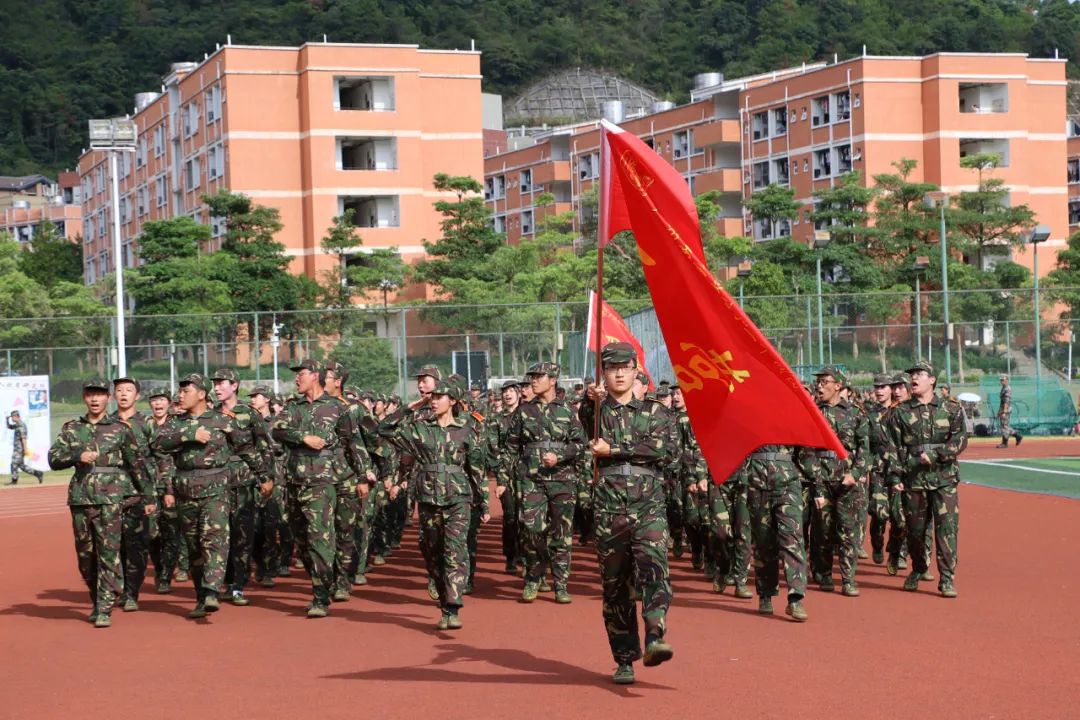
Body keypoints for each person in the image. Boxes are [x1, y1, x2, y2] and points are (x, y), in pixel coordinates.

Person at [579, 342, 674, 685]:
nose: (619, 373)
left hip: (648, 504)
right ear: (603, 373)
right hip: (609, 506)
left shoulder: (655, 411)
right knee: (615, 584)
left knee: (654, 567)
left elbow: (660, 449)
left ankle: (655, 633)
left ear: (636, 370)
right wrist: (589, 399)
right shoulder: (597, 411)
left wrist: (614, 449)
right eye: (612, 367)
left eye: (625, 367)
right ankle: (624, 658)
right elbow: (585, 419)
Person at [154, 373, 276, 619]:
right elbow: (157, 444)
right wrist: (189, 436)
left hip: (216, 488)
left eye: (186, 391)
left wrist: (264, 475)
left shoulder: (222, 420)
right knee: (195, 547)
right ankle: (202, 597)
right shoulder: (174, 423)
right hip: (186, 490)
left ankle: (212, 590)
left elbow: (245, 448)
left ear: (201, 394)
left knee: (214, 538)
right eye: (180, 391)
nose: (180, 395)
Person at [378, 379, 489, 629]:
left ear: (453, 401)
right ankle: (444, 601)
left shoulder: (467, 429)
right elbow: (384, 429)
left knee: (455, 550)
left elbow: (477, 470)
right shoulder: (420, 429)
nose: (434, 400)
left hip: (458, 498)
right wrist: (411, 407)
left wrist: (484, 503)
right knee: (432, 552)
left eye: (440, 397)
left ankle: (453, 607)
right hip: (428, 498)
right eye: (433, 396)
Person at [48, 379, 155, 628]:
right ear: (84, 397)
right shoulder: (72, 428)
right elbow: (54, 459)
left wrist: (149, 496)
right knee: (85, 555)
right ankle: (97, 599)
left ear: (108, 397)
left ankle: (105, 607)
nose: (95, 399)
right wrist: (78, 455)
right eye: (90, 395)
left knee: (109, 552)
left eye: (99, 395)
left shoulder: (120, 428)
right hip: (81, 498)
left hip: (111, 499)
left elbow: (136, 465)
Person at [272, 360, 368, 617]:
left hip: (324, 481)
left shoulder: (338, 408)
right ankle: (327, 578)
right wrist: (302, 437)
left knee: (320, 538)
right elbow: (277, 431)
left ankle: (321, 597)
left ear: (315, 376)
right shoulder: (293, 407)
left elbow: (354, 443)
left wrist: (362, 477)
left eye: (301, 374)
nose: (297, 379)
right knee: (301, 540)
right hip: (295, 480)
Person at [885, 361, 967, 598]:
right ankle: (919, 567)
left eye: (919, 374)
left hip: (944, 478)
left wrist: (936, 455)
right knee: (915, 532)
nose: (914, 378)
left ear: (932, 380)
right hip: (914, 480)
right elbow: (893, 446)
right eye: (912, 375)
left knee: (947, 529)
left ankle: (947, 579)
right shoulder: (900, 411)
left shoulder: (951, 408)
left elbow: (960, 440)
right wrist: (895, 475)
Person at [505, 362, 586, 604]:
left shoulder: (568, 410)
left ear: (552, 380)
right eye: (532, 376)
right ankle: (534, 577)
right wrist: (506, 477)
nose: (533, 380)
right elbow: (511, 446)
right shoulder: (524, 411)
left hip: (562, 480)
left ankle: (560, 584)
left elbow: (580, 444)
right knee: (531, 530)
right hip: (532, 480)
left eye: (539, 376)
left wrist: (559, 456)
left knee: (561, 534)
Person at [210, 368, 277, 606]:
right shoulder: (211, 415)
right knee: (219, 535)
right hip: (217, 482)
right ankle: (224, 581)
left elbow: (264, 447)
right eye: (215, 383)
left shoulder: (249, 414)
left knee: (242, 535)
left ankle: (238, 584)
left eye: (222, 383)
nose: (217, 387)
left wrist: (266, 477)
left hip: (243, 482)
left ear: (234, 385)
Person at [803, 366, 868, 597]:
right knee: (822, 531)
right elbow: (805, 452)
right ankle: (823, 573)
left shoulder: (856, 413)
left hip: (847, 482)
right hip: (822, 479)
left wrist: (855, 474)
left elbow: (865, 449)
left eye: (824, 382)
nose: (819, 387)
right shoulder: (812, 413)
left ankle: (848, 579)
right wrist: (817, 482)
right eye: (818, 383)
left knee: (848, 531)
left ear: (838, 386)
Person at [745, 446, 810, 621]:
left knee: (792, 538)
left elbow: (806, 448)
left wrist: (810, 476)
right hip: (757, 481)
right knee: (764, 542)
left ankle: (795, 598)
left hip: (788, 482)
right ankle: (765, 593)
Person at [110, 377, 155, 612]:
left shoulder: (146, 424)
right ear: (113, 395)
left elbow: (159, 457)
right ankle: (117, 589)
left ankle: (131, 593)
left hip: (138, 493)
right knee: (113, 547)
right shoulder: (106, 423)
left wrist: (153, 494)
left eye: (129, 390)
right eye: (119, 390)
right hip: (111, 494)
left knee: (136, 546)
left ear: (137, 396)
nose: (124, 394)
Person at [145, 388, 182, 594]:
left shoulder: (178, 425)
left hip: (173, 487)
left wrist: (171, 488)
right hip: (149, 488)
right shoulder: (145, 425)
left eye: (161, 400)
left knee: (171, 534)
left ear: (169, 403)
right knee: (151, 534)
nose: (157, 404)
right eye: (154, 400)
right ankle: (159, 569)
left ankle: (166, 575)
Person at [490, 381, 524, 574]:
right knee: (510, 515)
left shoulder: (526, 415)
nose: (508, 394)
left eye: (511, 391)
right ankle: (511, 556)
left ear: (518, 393)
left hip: (526, 472)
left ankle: (525, 554)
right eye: (505, 392)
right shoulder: (497, 419)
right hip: (506, 472)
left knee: (527, 515)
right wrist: (500, 474)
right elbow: (493, 448)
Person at [7, 409, 45, 485]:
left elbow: (23, 438)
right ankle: (38, 473)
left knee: (14, 463)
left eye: (12, 417)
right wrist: (7, 420)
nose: (12, 418)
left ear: (16, 416)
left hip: (20, 449)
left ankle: (14, 480)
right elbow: (9, 427)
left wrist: (25, 449)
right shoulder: (17, 425)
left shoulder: (21, 426)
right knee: (21, 466)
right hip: (18, 449)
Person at [996, 374, 1023, 448]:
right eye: (1001, 380)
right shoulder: (1004, 388)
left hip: (1006, 409)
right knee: (1004, 426)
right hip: (1003, 408)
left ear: (1007, 380)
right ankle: (1006, 441)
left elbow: (1006, 401)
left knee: (1004, 426)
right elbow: (1002, 401)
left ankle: (1016, 436)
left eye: (1003, 380)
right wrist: (1000, 411)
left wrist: (1004, 411)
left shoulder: (1007, 388)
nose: (1001, 381)